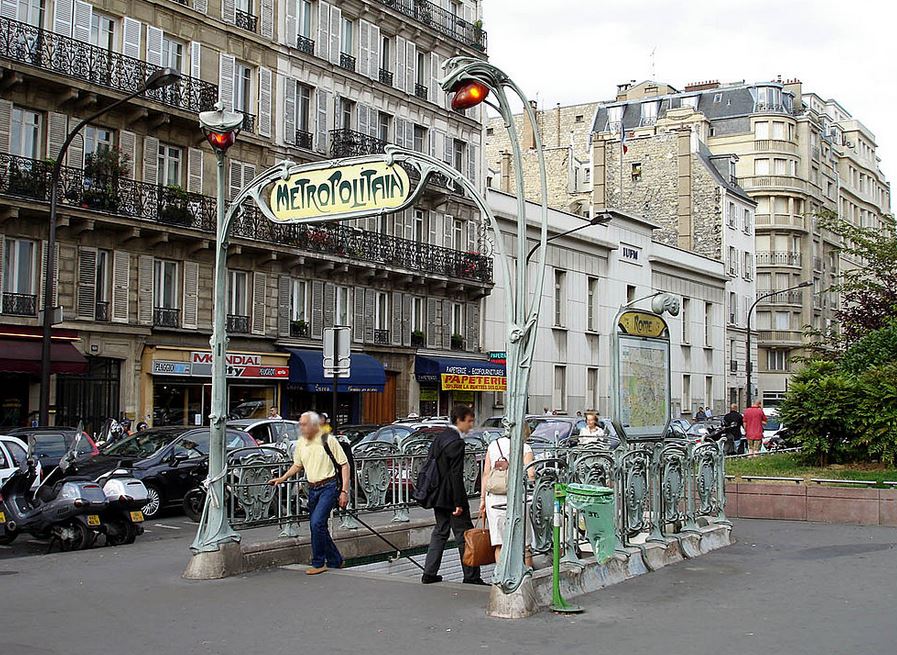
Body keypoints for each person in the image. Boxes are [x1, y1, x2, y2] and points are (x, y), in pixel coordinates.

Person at [268, 411, 349, 574]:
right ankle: (335, 559)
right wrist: (282, 478)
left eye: (304, 424)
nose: (301, 427)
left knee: (316, 523)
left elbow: (344, 464)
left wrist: (344, 491)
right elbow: (298, 465)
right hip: (312, 488)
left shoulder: (327, 439)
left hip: (328, 485)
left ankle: (318, 563)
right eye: (300, 424)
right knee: (318, 526)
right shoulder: (301, 443)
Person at [421, 404, 486, 585]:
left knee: (440, 532)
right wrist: (458, 502)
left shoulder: (440, 438)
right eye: (469, 421)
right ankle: (471, 575)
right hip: (451, 496)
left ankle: (429, 572)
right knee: (464, 535)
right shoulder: (456, 443)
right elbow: (455, 475)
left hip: (436, 494)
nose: (471, 425)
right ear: (460, 420)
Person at [480, 424, 535, 566]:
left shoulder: (493, 445)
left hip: (494, 498)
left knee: (500, 544)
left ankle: (501, 578)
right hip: (518, 498)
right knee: (524, 544)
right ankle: (525, 578)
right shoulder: (525, 448)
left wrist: (482, 499)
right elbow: (531, 474)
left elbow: (486, 474)